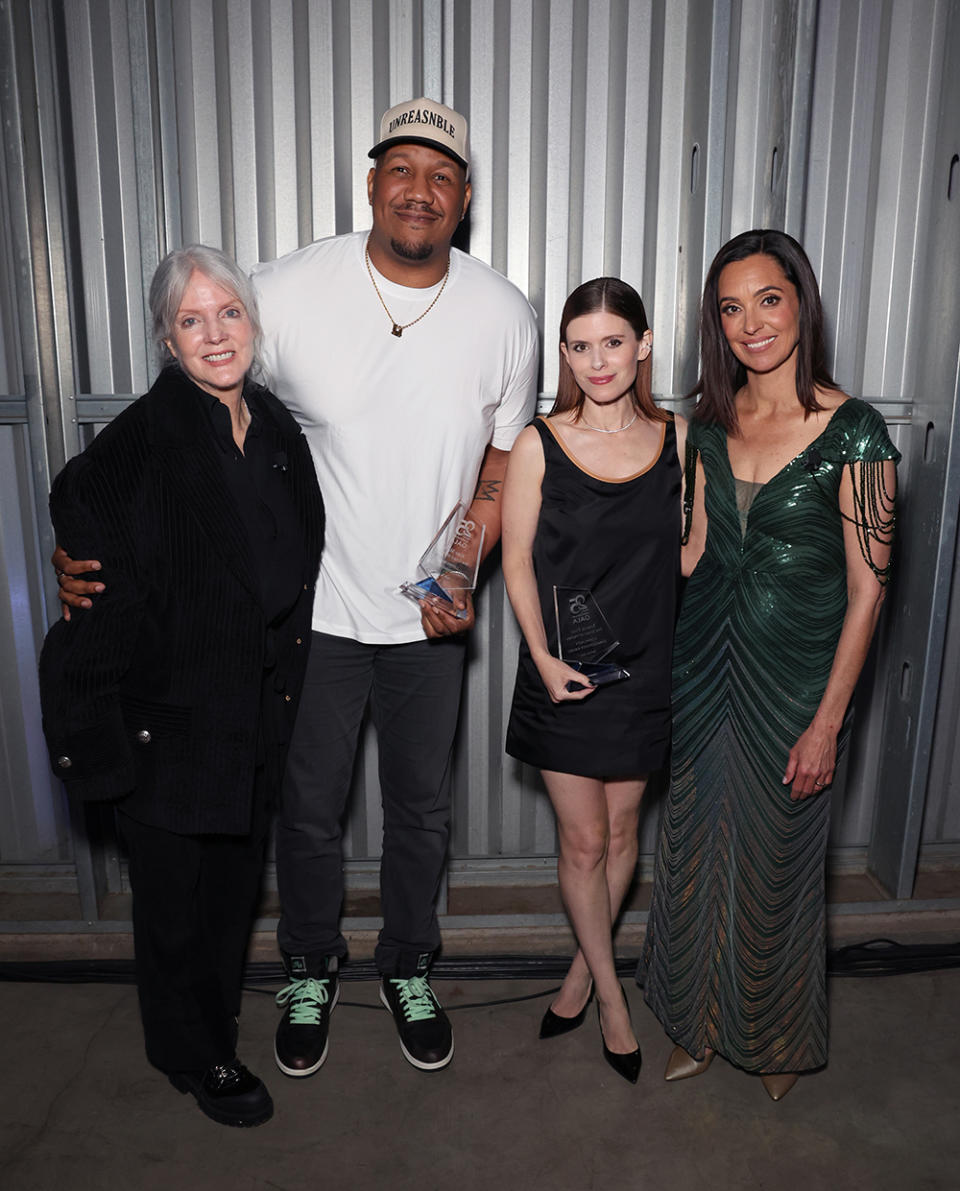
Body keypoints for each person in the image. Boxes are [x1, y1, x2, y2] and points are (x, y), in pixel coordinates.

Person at [55, 97, 539, 1076]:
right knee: (306, 811)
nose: (419, 190)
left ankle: (409, 964)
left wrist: (468, 554)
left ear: (466, 199)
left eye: (441, 176)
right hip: (307, 620)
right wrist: (92, 536)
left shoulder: (503, 314)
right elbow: (187, 399)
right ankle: (311, 963)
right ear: (371, 183)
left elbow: (503, 456)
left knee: (422, 811)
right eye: (400, 170)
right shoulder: (282, 293)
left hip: (430, 624)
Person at [39, 246, 324, 1127]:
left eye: (228, 313)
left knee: (231, 894)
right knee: (173, 908)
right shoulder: (132, 448)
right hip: (164, 725)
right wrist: (93, 743)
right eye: (192, 319)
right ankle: (193, 1055)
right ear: (167, 336)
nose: (214, 334)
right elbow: (83, 544)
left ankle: (212, 1021)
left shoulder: (273, 425)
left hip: (251, 714)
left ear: (252, 322)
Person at [638, 229, 899, 1101]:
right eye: (731, 307)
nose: (752, 323)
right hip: (704, 666)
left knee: (780, 862)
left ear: (802, 303)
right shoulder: (710, 422)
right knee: (698, 849)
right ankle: (700, 1025)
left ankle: (776, 1034)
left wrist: (827, 720)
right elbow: (691, 556)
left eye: (769, 299)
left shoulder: (855, 432)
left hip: (797, 683)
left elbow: (869, 592)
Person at [501, 278, 701, 1084]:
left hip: (647, 668)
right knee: (583, 840)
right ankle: (614, 1002)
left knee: (623, 838)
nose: (596, 360)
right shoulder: (536, 443)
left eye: (612, 342)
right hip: (566, 671)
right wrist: (545, 657)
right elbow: (515, 560)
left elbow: (689, 556)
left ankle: (582, 972)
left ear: (643, 345)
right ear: (566, 354)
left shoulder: (681, 439)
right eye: (579, 346)